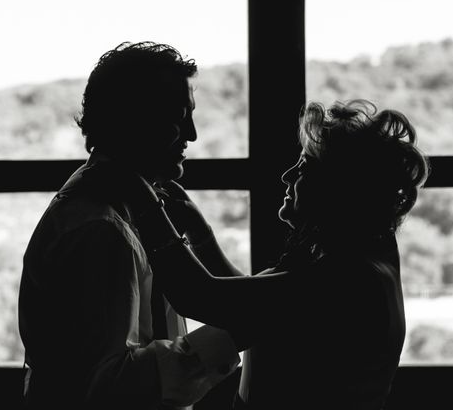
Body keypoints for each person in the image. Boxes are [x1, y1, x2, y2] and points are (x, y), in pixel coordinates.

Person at [122, 99, 429, 409]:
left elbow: (201, 296)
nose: (287, 175)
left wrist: (144, 202)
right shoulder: (361, 255)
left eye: (305, 166)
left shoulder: (350, 276)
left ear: (341, 186)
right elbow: (255, 305)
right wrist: (201, 236)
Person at [17, 41, 241, 410]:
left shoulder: (133, 206)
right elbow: (105, 385)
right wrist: (229, 338)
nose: (193, 134)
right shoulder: (100, 228)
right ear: (135, 120)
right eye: (179, 116)